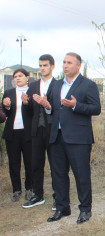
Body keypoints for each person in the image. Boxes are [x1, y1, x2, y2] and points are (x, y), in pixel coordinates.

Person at [42, 52, 101, 224]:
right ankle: (62, 207)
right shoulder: (57, 84)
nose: (65, 65)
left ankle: (85, 210)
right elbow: (54, 108)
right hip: (57, 136)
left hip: (79, 138)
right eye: (64, 62)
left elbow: (96, 108)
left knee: (81, 175)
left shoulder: (88, 85)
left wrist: (76, 105)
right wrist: (47, 106)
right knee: (58, 174)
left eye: (69, 62)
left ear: (78, 66)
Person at [22, 54, 57, 209]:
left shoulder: (58, 85)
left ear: (52, 67)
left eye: (45, 65)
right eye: (40, 65)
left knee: (56, 165)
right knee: (36, 164)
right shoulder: (34, 86)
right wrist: (25, 103)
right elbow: (30, 110)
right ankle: (38, 196)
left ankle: (59, 196)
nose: (42, 68)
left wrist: (48, 105)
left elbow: (61, 108)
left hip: (53, 130)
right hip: (36, 130)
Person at [2, 68, 33, 202]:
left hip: (28, 133)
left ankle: (29, 189)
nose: (17, 78)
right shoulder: (8, 93)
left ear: (27, 77)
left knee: (30, 163)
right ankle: (16, 190)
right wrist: (7, 106)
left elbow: (34, 112)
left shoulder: (32, 92)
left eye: (20, 76)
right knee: (14, 163)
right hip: (12, 133)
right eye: (15, 76)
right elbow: (4, 113)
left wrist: (27, 103)